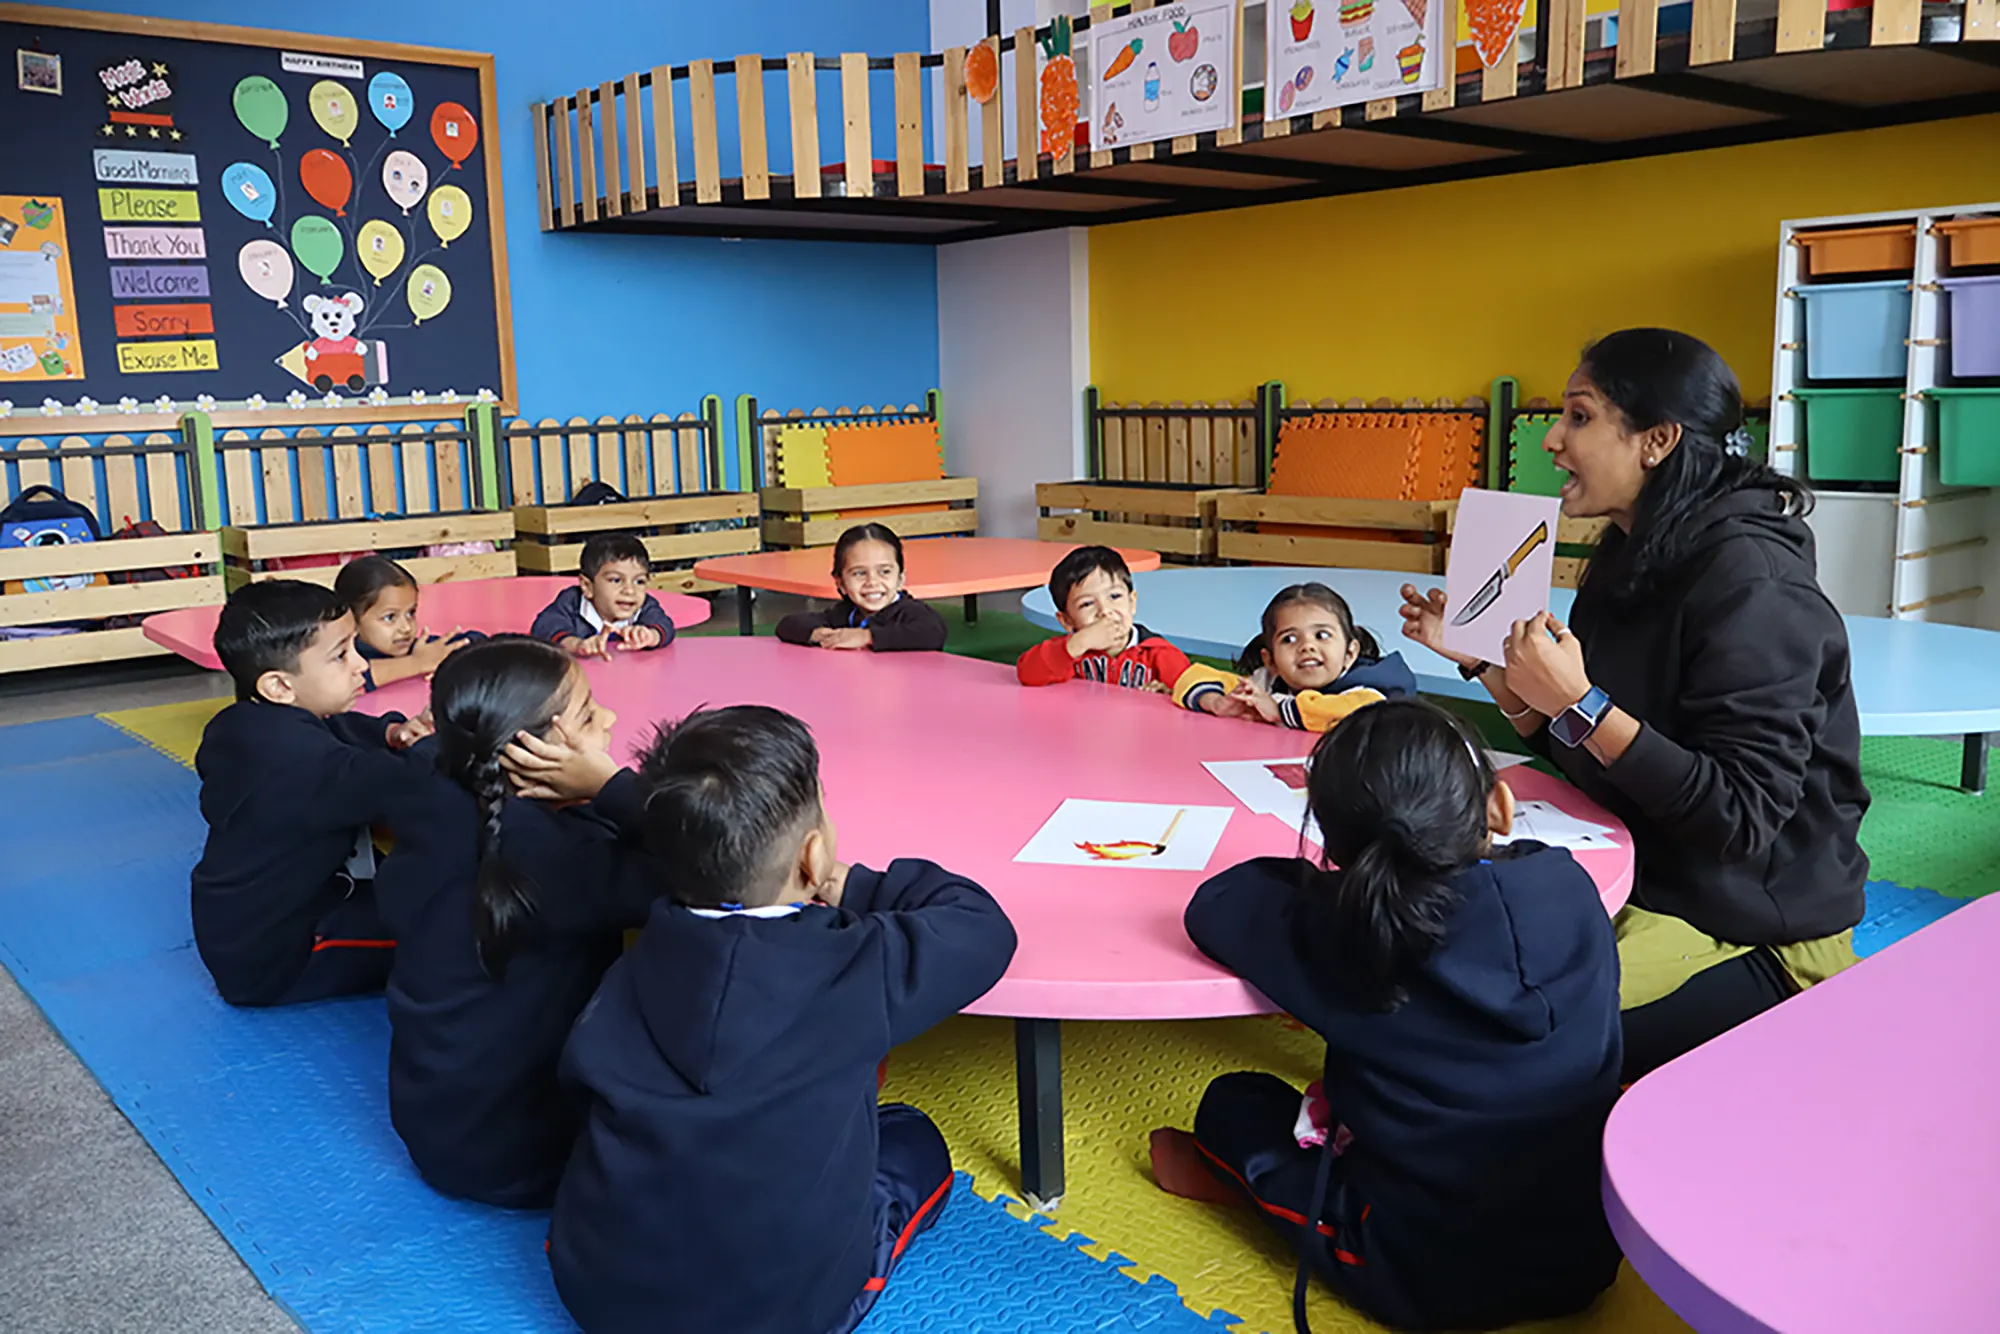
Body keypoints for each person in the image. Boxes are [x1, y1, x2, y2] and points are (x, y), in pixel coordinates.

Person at [1400, 327, 1869, 1081]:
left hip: (1753, 928)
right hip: (1635, 876)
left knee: (1497, 1054)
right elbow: (1595, 757)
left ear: (1656, 441)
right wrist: (1497, 671)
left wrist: (1580, 702)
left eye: (1579, 417)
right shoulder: (1632, 547)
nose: (1551, 439)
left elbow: (1741, 821)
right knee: (1425, 973)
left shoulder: (1754, 586)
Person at [1152, 699, 1622, 1332]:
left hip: (1423, 1277)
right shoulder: (1569, 889)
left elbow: (1219, 903)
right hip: (1590, 1250)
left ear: (1339, 848)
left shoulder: (1354, 937)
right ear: (1500, 807)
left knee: (1231, 1103)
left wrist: (1334, 890)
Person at [547, 705, 1018, 1334]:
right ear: (812, 853)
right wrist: (849, 884)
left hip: (599, 1291)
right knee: (912, 1138)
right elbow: (982, 928)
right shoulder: (857, 964)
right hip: (784, 1313)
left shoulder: (627, 970)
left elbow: (579, 1095)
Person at [374, 636, 662, 1207]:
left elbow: (429, 750)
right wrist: (609, 787)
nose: (608, 717)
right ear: (531, 751)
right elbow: (714, 866)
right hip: (528, 1159)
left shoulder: (437, 790)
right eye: (586, 713)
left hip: (440, 1132)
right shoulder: (560, 858)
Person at [190, 580, 430, 1007]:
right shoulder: (301, 765)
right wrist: (449, 736)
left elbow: (339, 728)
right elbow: (403, 783)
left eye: (354, 647)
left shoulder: (246, 722)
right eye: (340, 656)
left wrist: (391, 731)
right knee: (461, 931)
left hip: (244, 926)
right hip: (282, 956)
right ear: (280, 686)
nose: (360, 665)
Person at [1172, 582, 1417, 730]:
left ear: (1349, 653)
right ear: (1271, 661)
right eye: (1289, 639)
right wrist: (1216, 702)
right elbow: (1193, 676)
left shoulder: (1367, 689)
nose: (1306, 646)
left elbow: (1353, 713)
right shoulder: (1268, 680)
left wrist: (1278, 709)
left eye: (1322, 635)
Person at [1016, 545, 1190, 691]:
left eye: (1114, 596)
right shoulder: (1069, 652)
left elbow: (1191, 690)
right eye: (1087, 604)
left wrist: (1169, 694)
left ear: (1132, 602)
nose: (1105, 611)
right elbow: (1028, 674)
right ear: (1066, 621)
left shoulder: (1159, 654)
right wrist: (1078, 644)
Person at [775, 523, 948, 652]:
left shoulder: (912, 612)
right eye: (859, 573)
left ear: (900, 579)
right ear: (840, 583)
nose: (872, 582)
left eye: (885, 572)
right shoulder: (845, 614)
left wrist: (866, 637)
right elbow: (787, 625)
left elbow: (932, 633)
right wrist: (819, 634)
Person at [333, 554, 480, 691]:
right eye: (389, 617)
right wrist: (417, 663)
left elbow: (478, 644)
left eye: (410, 613)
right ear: (351, 621)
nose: (406, 627)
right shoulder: (338, 657)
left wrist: (450, 661)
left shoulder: (414, 648)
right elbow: (352, 678)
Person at [530, 533, 676, 658]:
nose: (630, 591)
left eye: (639, 581)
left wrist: (650, 636)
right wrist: (576, 644)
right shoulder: (572, 602)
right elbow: (544, 627)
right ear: (587, 586)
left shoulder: (645, 606)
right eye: (616, 580)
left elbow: (665, 626)